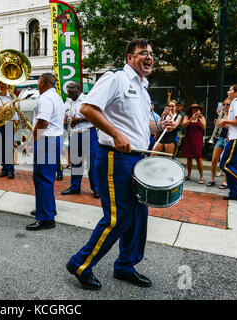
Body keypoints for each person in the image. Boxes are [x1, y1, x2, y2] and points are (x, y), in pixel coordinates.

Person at [65, 38, 172, 290]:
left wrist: (161, 126)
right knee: (117, 217)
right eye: (143, 53)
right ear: (129, 57)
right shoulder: (116, 79)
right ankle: (80, 264)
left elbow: (138, 126)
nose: (149, 58)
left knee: (138, 215)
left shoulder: (143, 89)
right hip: (115, 157)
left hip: (136, 157)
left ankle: (126, 265)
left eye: (152, 54)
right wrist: (115, 134)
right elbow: (88, 109)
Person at [24, 73, 64, 231]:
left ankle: (46, 218)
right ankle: (47, 208)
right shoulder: (56, 97)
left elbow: (43, 122)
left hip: (47, 141)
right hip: (54, 139)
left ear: (42, 83)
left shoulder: (45, 98)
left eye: (38, 82)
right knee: (45, 178)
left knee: (42, 178)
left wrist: (30, 142)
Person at [61, 81, 99, 198]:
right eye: (68, 89)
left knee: (92, 162)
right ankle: (75, 187)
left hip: (89, 133)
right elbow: (65, 118)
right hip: (75, 134)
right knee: (76, 162)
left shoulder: (88, 100)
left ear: (79, 89)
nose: (69, 90)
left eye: (72, 88)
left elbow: (96, 116)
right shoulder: (67, 103)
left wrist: (80, 120)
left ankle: (96, 188)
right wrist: (66, 120)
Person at [181, 104, 206, 184]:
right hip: (188, 139)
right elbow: (183, 125)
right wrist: (191, 118)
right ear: (191, 110)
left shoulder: (202, 117)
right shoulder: (187, 117)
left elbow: (203, 127)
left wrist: (198, 118)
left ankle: (201, 176)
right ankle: (189, 174)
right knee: (189, 157)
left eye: (197, 109)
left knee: (198, 158)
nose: (195, 110)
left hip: (197, 140)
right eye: (194, 109)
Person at [207, 100, 230, 188]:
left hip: (228, 139)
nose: (225, 106)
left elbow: (233, 126)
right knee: (214, 160)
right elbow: (219, 127)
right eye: (224, 104)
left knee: (226, 162)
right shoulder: (222, 114)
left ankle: (225, 182)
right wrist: (217, 124)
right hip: (220, 138)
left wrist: (223, 124)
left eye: (227, 104)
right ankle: (212, 179)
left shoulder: (232, 115)